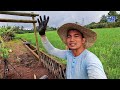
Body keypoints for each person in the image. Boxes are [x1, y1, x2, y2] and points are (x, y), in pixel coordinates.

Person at [37, 15, 107, 79]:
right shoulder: (69, 54)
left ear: (83, 40)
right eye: (69, 36)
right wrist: (42, 35)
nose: (72, 40)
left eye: (76, 36)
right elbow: (51, 50)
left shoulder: (90, 60)